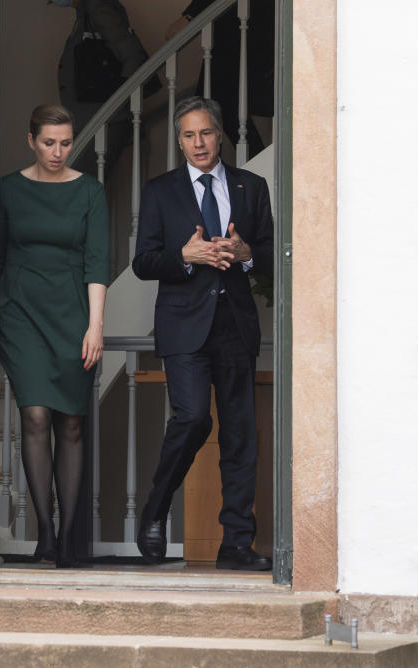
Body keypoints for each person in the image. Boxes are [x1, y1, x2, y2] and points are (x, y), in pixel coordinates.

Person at [131, 96, 273, 570]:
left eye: (206, 133)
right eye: (188, 135)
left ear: (220, 134)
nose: (198, 143)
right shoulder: (159, 191)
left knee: (240, 435)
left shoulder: (251, 186)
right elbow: (143, 261)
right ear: (179, 141)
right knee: (192, 419)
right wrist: (185, 257)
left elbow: (273, 254)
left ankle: (236, 543)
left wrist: (246, 250)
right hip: (183, 325)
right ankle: (154, 509)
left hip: (235, 325)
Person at [0, 104, 111, 568]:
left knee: (71, 421)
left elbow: (97, 261)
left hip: (73, 315)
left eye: (65, 143)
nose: (57, 152)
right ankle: (44, 531)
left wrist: (95, 326)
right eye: (49, 142)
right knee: (36, 416)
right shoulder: (8, 190)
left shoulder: (89, 192)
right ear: (31, 140)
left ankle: (67, 535)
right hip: (22, 312)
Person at [54, 0, 157, 175]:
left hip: (105, 119)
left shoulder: (97, 5)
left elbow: (132, 56)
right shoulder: (84, 14)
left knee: (73, 190)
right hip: (91, 121)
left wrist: (117, 104)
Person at [165, 0, 275, 160]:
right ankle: (256, 163)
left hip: (249, 32)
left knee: (208, 106)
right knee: (210, 106)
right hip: (239, 35)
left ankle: (255, 163)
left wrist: (190, 15)